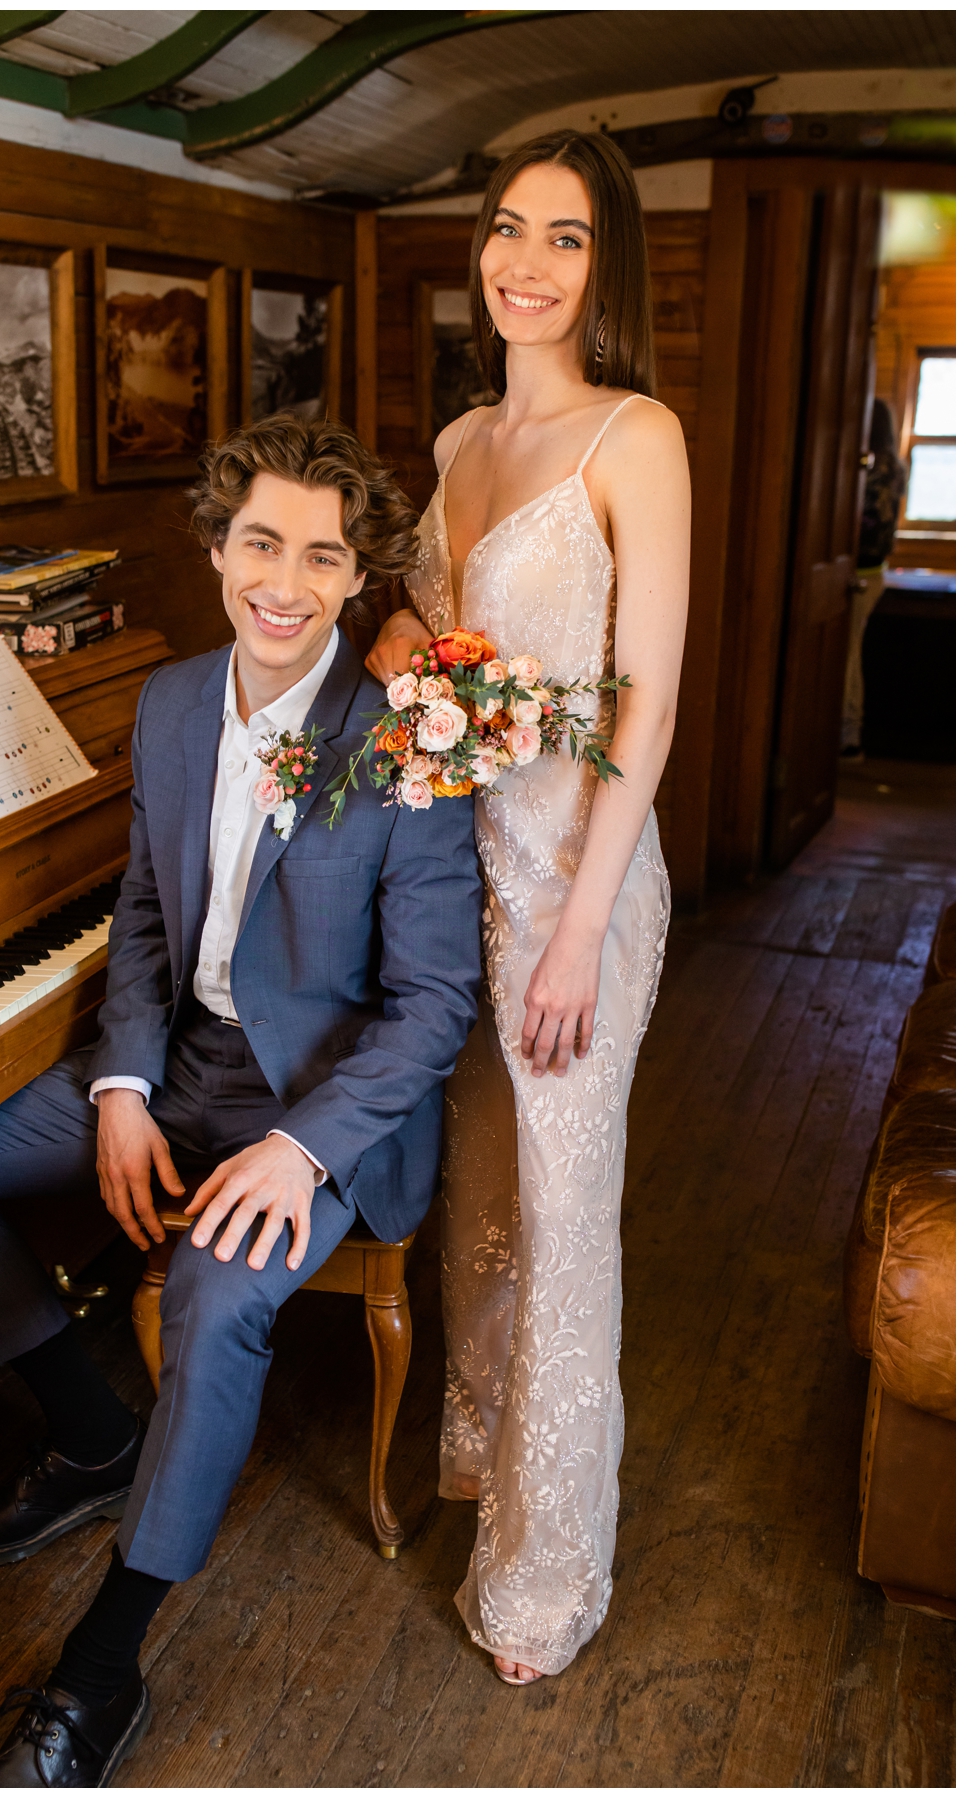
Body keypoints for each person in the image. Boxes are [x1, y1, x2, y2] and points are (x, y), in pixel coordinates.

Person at [0, 415, 482, 1787]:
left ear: (361, 579)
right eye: (262, 542)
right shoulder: (168, 704)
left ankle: (100, 1670)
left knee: (219, 1298)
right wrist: (117, 1083)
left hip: (326, 1103)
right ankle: (100, 1436)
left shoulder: (407, 739)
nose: (284, 580)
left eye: (323, 556)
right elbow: (151, 912)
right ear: (219, 545)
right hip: (177, 1071)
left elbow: (434, 1007)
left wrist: (302, 1146)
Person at [365, 127, 688, 1685]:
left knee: (563, 1227)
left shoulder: (640, 436)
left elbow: (649, 708)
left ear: (605, 264)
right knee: (477, 1200)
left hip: (582, 887)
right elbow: (422, 632)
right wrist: (392, 670)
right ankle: (483, 1459)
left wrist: (578, 927)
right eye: (506, 229)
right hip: (463, 875)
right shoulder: (453, 443)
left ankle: (545, 1578)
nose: (526, 262)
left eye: (563, 237)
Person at [844, 398, 903, 758]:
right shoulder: (895, 464)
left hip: (860, 572)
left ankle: (849, 738)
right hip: (876, 568)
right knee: (851, 654)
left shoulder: (873, 466)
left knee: (848, 657)